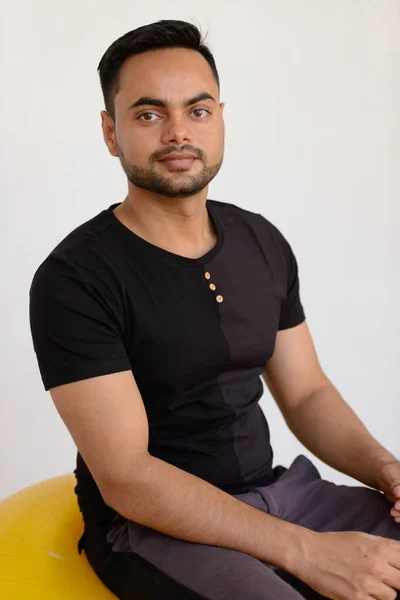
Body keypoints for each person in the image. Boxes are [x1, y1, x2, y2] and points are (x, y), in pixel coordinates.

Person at [29, 19, 400, 600]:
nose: (178, 132)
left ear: (220, 118)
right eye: (149, 114)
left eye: (197, 111)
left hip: (278, 495)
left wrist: (386, 470)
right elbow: (127, 477)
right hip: (155, 528)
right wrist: (305, 552)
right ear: (110, 131)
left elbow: (307, 394)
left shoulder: (261, 241)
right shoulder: (75, 277)